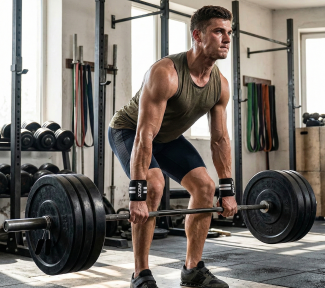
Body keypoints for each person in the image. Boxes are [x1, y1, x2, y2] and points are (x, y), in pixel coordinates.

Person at [108, 5, 237, 288]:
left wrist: (227, 190)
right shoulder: (165, 73)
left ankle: (192, 270)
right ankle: (140, 274)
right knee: (153, 186)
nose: (227, 38)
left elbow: (219, 140)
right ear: (198, 35)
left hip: (166, 138)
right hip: (130, 131)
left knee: (205, 188)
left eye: (229, 32)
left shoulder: (221, 85)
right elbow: (144, 136)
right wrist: (137, 195)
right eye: (218, 31)